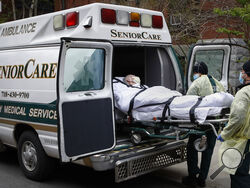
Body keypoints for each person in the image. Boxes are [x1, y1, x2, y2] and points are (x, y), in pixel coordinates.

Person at [182, 61, 225, 187]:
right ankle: (202, 179)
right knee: (208, 151)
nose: (194, 75)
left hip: (201, 121)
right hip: (214, 122)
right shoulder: (218, 83)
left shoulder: (198, 82)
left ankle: (192, 177)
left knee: (192, 148)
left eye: (194, 72)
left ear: (197, 72)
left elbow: (188, 99)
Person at [217, 60, 250, 188]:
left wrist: (225, 134)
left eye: (242, 71)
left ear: (246, 74)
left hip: (243, 142)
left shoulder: (243, 93)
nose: (240, 73)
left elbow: (237, 118)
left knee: (239, 174)